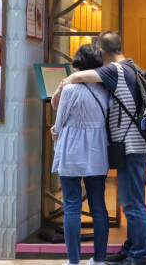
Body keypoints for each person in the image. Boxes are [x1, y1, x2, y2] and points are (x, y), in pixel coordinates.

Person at [52, 31, 146, 265]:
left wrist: (60, 88)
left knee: (132, 205)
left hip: (129, 146)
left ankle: (139, 256)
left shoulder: (115, 70)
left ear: (102, 51)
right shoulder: (131, 68)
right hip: (116, 149)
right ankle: (122, 252)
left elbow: (76, 78)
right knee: (114, 205)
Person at [51, 44, 110, 265]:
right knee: (99, 207)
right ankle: (100, 260)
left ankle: (74, 261)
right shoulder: (105, 89)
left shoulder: (69, 90)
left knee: (72, 207)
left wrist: (55, 133)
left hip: (71, 150)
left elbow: (59, 124)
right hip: (97, 150)